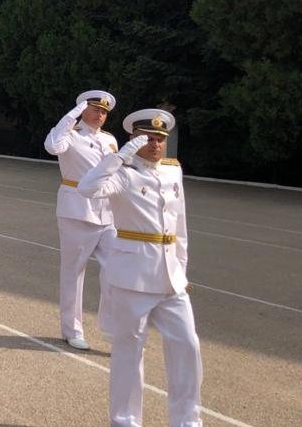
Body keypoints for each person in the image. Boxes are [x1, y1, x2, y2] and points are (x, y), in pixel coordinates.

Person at [78, 109, 202, 427]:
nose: (156, 144)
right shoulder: (122, 175)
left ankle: (187, 421)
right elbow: (87, 188)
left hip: (170, 279)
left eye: (161, 138)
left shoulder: (173, 172)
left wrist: (182, 269)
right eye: (149, 138)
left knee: (187, 346)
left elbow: (181, 227)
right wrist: (119, 157)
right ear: (135, 139)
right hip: (132, 278)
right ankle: (124, 420)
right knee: (129, 354)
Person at [44, 90, 118, 351]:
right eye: (96, 109)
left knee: (117, 271)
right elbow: (52, 146)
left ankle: (114, 330)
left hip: (107, 212)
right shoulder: (69, 136)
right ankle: (71, 329)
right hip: (76, 209)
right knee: (74, 273)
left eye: (105, 112)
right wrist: (72, 116)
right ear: (83, 110)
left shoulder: (110, 140)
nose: (101, 115)